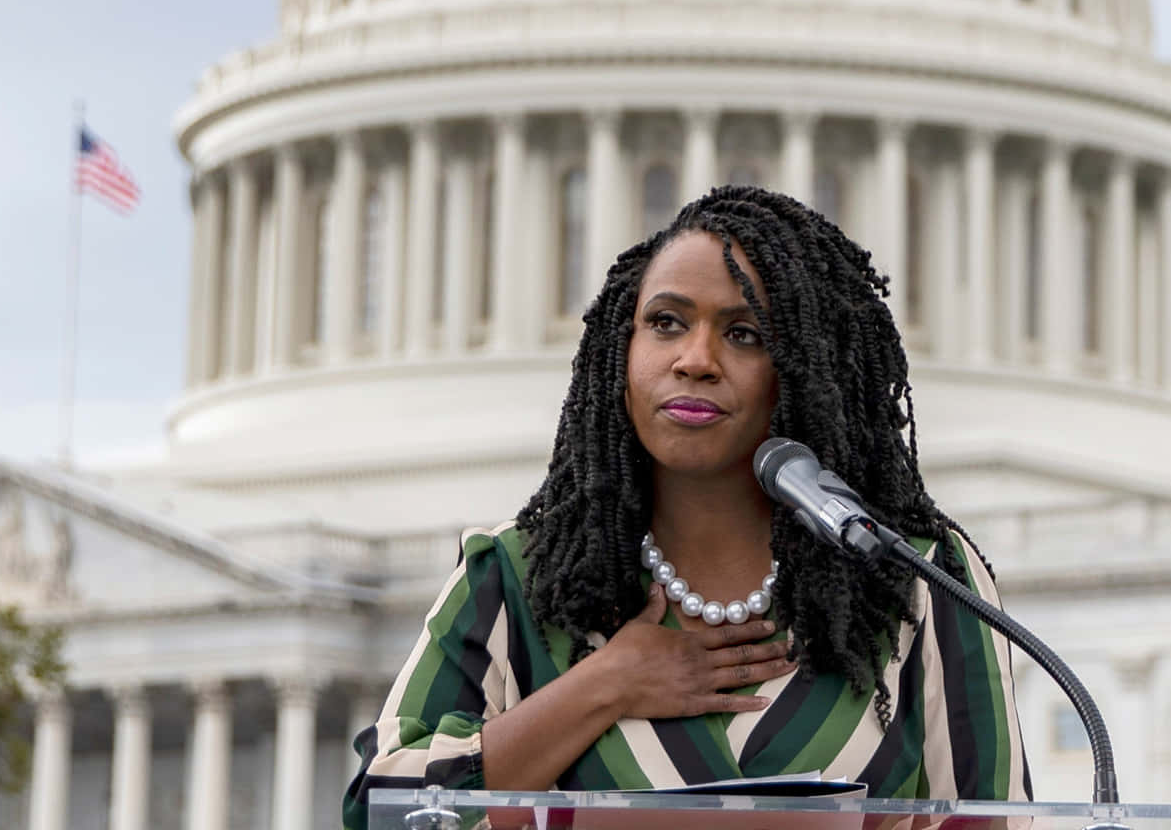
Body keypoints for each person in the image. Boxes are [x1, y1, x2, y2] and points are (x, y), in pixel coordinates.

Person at [344, 187, 1030, 823]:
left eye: (744, 334)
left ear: (807, 368)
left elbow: (995, 820)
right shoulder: (514, 578)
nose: (695, 359)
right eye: (666, 322)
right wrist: (603, 686)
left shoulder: (912, 574)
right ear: (622, 349)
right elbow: (383, 807)